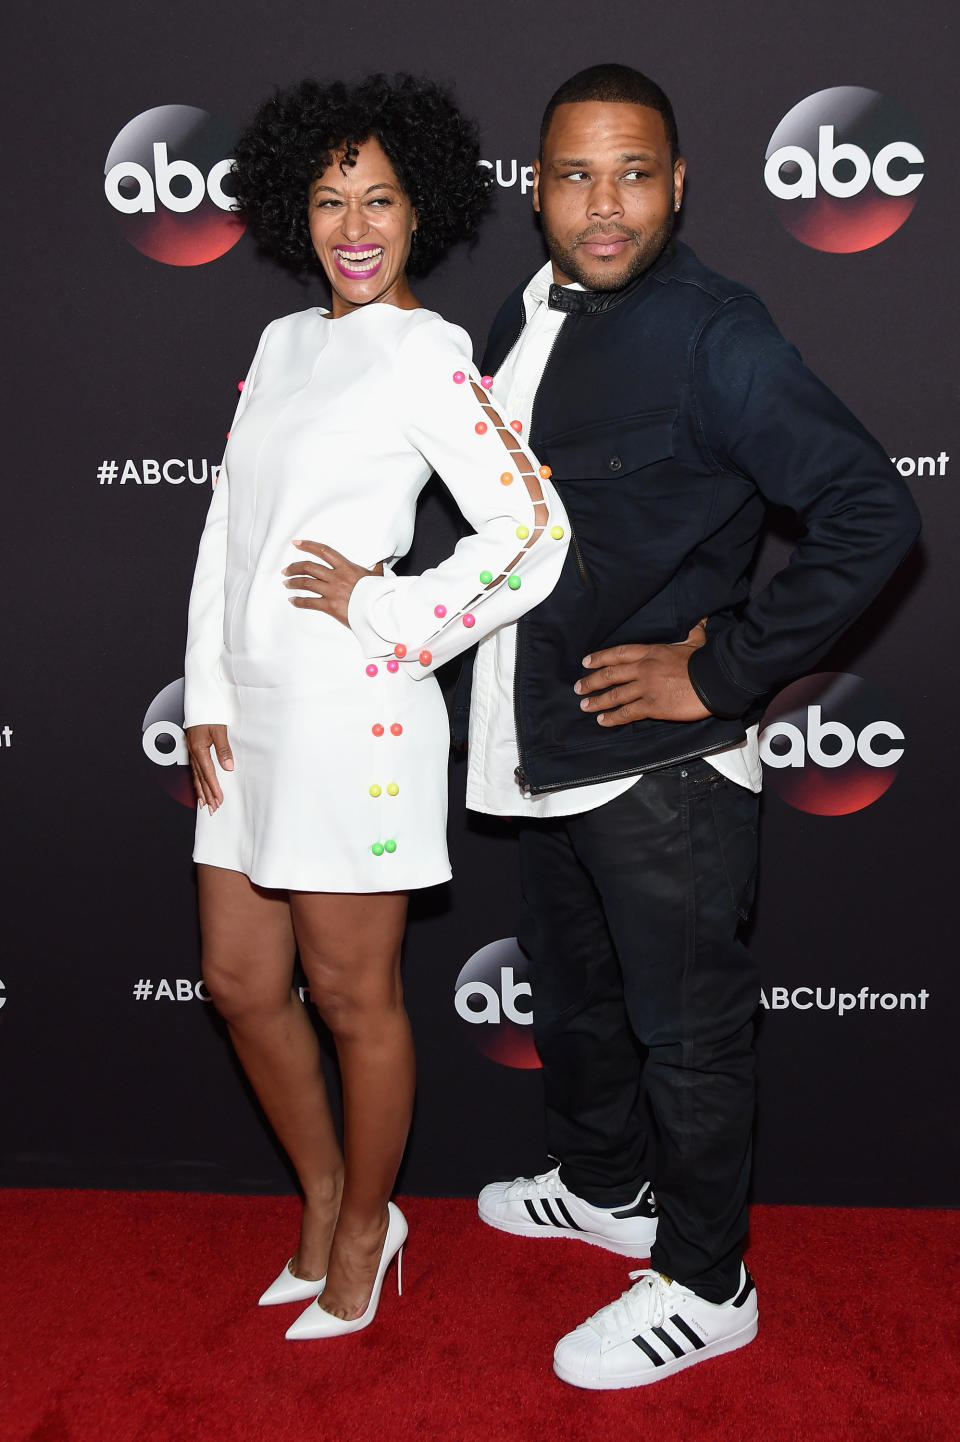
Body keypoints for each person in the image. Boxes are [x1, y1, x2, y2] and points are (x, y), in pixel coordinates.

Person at [465, 64, 921, 1388]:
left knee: (688, 1033)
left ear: (678, 183)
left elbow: (869, 513)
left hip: (659, 767)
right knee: (582, 1003)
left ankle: (710, 1282)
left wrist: (721, 674)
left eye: (633, 174)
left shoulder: (716, 333)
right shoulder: (522, 309)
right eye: (574, 176)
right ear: (535, 186)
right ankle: (608, 1187)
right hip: (540, 738)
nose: (603, 207)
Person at [183, 72, 568, 1341]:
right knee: (242, 982)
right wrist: (205, 683)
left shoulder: (427, 352)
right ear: (302, 211)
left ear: (422, 212)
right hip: (250, 717)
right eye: (332, 198)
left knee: (355, 1000)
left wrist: (387, 610)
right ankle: (331, 1188)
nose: (356, 223)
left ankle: (360, 1228)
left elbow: (531, 530)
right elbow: (229, 522)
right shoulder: (284, 342)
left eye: (382, 199)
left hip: (359, 718)